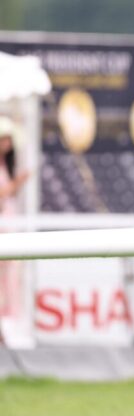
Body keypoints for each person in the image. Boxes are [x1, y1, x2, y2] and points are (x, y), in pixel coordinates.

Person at [0, 116, 30, 344]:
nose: (7, 144)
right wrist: (17, 182)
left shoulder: (6, 165)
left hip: (8, 226)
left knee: (10, 277)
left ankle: (7, 324)